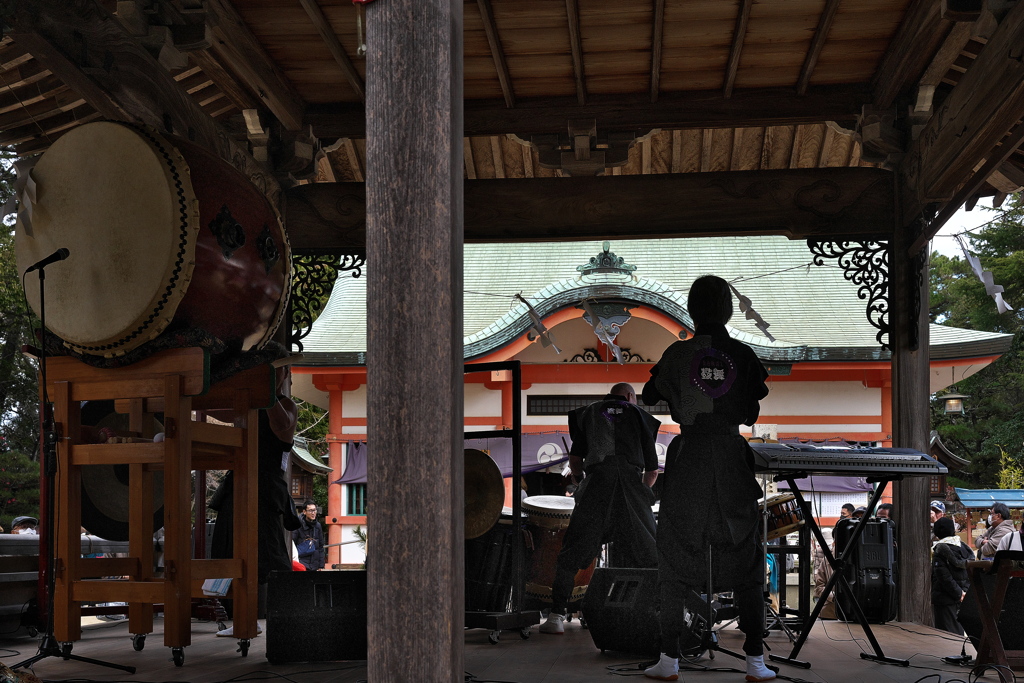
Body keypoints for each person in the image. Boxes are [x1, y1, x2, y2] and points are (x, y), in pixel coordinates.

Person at [640, 275, 775, 683]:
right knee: (748, 556)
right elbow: (754, 405)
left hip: (692, 457)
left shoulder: (680, 354)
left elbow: (648, 395)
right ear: (728, 310)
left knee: (676, 552)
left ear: (692, 310)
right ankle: (754, 660)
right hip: (732, 459)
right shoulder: (743, 354)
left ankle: (669, 659)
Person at [538, 382, 660, 635]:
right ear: (629, 396)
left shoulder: (589, 412)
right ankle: (654, 611)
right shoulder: (640, 416)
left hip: (597, 485)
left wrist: (583, 482)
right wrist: (641, 491)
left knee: (573, 550)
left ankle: (556, 615)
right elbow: (652, 469)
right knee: (650, 550)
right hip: (630, 484)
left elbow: (575, 460)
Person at [210, 366, 302, 637]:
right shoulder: (245, 402)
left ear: (284, 373)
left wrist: (267, 395)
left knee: (270, 554)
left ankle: (287, 620)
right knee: (229, 550)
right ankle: (242, 621)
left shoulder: (286, 405)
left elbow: (283, 427)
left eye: (276, 370)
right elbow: (218, 410)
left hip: (265, 490)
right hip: (237, 484)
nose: (270, 374)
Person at [931, 517, 972, 635]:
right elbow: (970, 573)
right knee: (958, 632)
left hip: (945, 598)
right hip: (963, 597)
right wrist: (963, 592)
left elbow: (943, 576)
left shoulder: (939, 549)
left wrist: (958, 593)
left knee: (947, 634)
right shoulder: (965, 548)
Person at [292, 500, 326, 571]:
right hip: (302, 563)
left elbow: (320, 546)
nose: (313, 513)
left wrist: (321, 565)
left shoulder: (318, 526)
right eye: (310, 510)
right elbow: (292, 543)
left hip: (315, 565)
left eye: (314, 510)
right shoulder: (298, 525)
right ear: (304, 512)